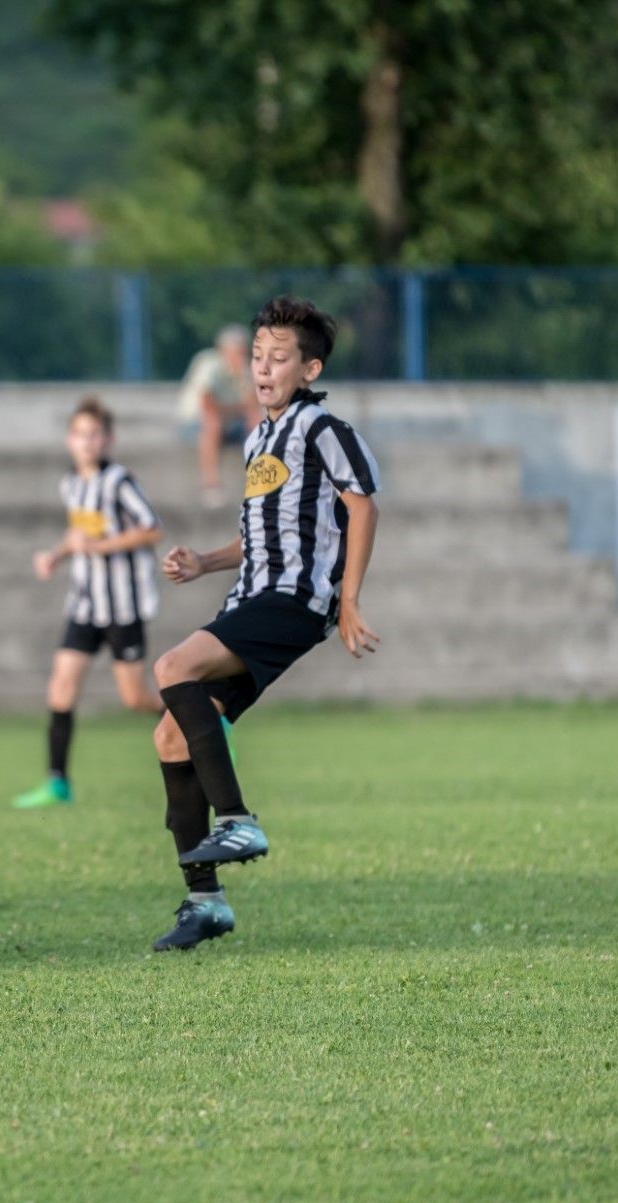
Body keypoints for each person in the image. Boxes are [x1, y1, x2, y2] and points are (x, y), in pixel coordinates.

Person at [150, 297, 383, 951]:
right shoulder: (256, 437)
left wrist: (351, 599)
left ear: (308, 369)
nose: (262, 366)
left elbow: (362, 508)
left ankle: (237, 819)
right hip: (252, 594)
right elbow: (261, 536)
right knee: (171, 737)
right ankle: (206, 901)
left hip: (294, 600)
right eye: (256, 355)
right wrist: (205, 561)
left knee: (171, 668)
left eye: (279, 358)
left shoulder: (323, 428)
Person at [12, 395, 165, 809]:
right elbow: (79, 534)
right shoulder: (71, 484)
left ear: (108, 439)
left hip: (123, 605)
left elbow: (151, 529)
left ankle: (204, 721)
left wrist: (103, 546)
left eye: (95, 435)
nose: (87, 442)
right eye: (80, 434)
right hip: (84, 603)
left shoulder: (119, 482)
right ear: (69, 440)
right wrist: (56, 555)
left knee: (134, 698)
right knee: (60, 688)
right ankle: (57, 781)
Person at [178, 325, 260, 509]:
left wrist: (247, 377)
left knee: (259, 422)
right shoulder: (209, 363)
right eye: (236, 352)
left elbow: (254, 405)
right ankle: (211, 485)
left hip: (230, 422)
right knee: (213, 422)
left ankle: (263, 483)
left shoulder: (248, 368)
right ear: (223, 350)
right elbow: (208, 405)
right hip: (195, 424)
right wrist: (238, 408)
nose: (239, 357)